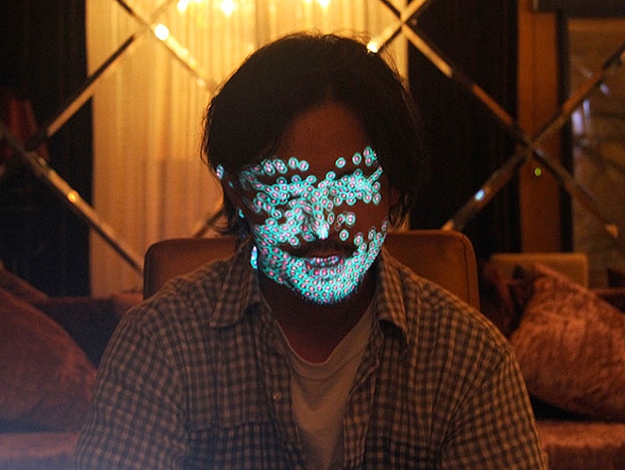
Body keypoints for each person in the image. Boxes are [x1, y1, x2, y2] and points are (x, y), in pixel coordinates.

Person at [73, 32, 546, 469]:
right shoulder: (161, 344)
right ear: (238, 192)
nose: (321, 224)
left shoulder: (469, 359)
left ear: (394, 190)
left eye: (347, 186)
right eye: (287, 189)